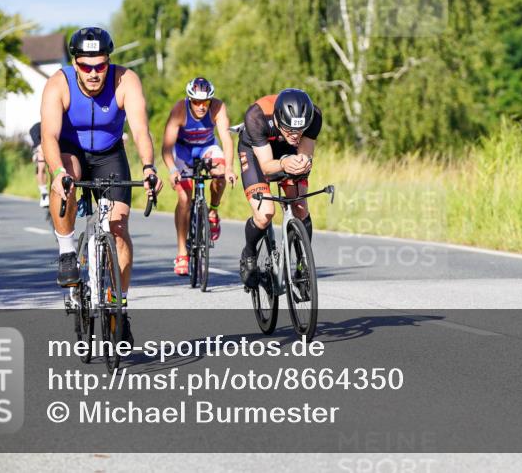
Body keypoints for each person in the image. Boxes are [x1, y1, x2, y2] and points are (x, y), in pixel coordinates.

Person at [40, 27, 162, 344]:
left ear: (108, 61)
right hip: (71, 151)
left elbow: (140, 131)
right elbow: (49, 136)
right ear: (75, 63)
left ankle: (119, 308)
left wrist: (149, 167)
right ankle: (68, 251)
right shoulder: (59, 84)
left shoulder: (126, 81)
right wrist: (56, 172)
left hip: (110, 155)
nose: (94, 74)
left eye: (100, 66)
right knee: (65, 176)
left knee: (118, 228)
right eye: (86, 66)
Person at [236, 88, 321, 288]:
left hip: (288, 152)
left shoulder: (314, 116)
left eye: (300, 130)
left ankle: (303, 264)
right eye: (290, 130)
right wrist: (283, 164)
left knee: (300, 207)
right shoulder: (256, 116)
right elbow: (266, 167)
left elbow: (305, 151)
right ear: (278, 119)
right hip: (256, 151)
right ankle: (249, 253)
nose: (295, 135)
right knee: (265, 213)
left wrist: (303, 162)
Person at [161, 77, 237, 276]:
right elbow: (167, 148)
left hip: (207, 148)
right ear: (189, 100)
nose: (202, 107)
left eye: (205, 102)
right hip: (183, 151)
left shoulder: (218, 108)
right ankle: (182, 253)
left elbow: (226, 140)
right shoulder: (179, 109)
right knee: (185, 198)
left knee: (219, 174)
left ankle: (212, 211)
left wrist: (229, 168)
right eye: (196, 102)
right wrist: (172, 170)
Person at [29, 121, 49, 207]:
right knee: (41, 161)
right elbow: (40, 147)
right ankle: (43, 192)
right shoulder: (36, 128)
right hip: (40, 149)